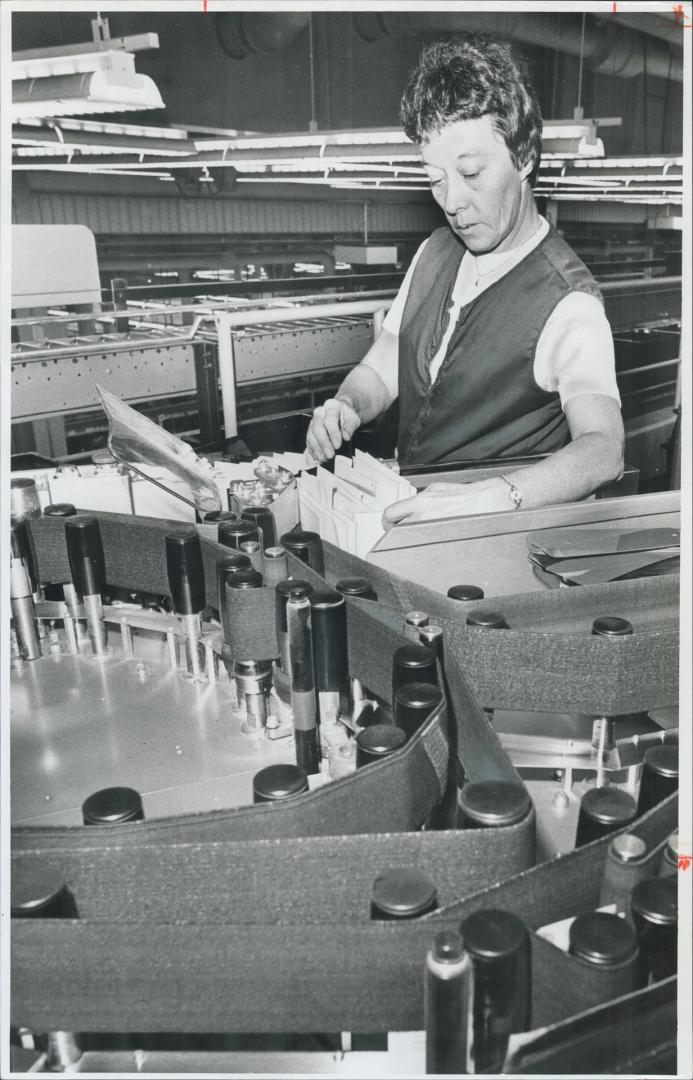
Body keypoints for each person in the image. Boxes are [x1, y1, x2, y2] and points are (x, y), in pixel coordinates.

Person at [305, 34, 624, 527]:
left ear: (524, 158)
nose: (452, 201)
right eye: (435, 179)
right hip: (409, 526)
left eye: (471, 173)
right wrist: (346, 404)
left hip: (490, 549)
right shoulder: (435, 252)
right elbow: (383, 366)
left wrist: (494, 496)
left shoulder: (568, 302)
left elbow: (604, 449)